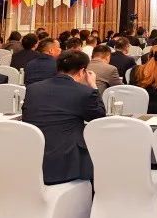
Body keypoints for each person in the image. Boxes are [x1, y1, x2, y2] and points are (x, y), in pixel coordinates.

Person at [22, 50, 105, 184]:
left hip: (32, 159)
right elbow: (99, 118)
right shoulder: (84, 92)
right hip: (67, 163)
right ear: (82, 71)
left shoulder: (33, 89)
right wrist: (93, 86)